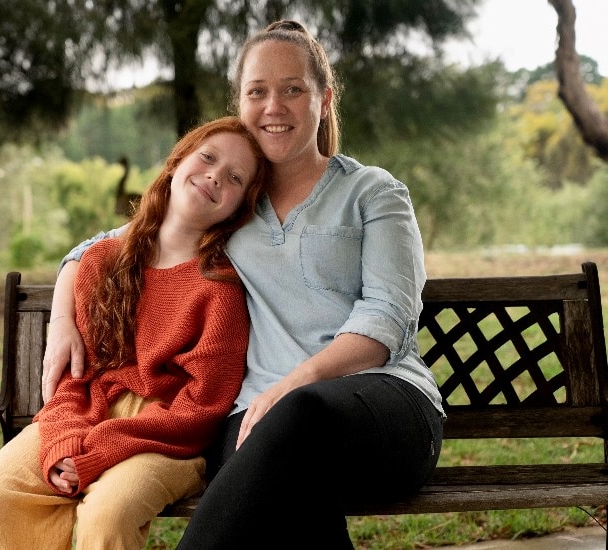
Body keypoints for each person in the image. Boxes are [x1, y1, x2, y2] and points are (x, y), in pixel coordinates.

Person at [44, 20, 446, 549]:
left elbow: (386, 318)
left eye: (292, 90)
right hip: (253, 423)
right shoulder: (228, 203)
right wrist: (60, 318)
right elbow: (112, 241)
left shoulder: (373, 193)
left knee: (298, 419)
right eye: (257, 91)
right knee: (294, 489)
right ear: (240, 103)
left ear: (324, 100)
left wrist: (295, 383)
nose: (273, 106)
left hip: (380, 408)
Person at [0, 115, 269, 550]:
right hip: (82, 413)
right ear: (176, 163)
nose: (214, 176)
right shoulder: (103, 262)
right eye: (208, 158)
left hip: (166, 436)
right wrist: (64, 441)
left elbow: (201, 410)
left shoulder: (220, 289)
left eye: (234, 177)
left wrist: (99, 449)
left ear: (239, 207)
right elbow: (72, 379)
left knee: (109, 513)